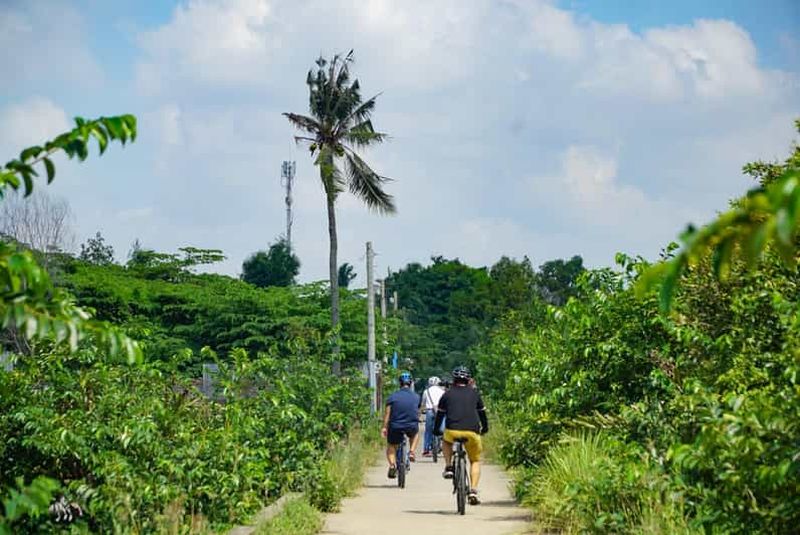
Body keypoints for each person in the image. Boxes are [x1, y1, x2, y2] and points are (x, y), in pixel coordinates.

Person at [433, 365, 488, 505]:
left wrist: (436, 430)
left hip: (452, 431)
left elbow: (440, 415)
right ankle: (474, 490)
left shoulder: (447, 394)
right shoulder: (475, 394)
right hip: (472, 432)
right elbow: (482, 413)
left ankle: (449, 466)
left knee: (446, 441)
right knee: (475, 460)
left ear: (454, 379)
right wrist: (485, 428)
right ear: (469, 380)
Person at [382, 371, 421, 479]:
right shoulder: (416, 397)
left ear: (399, 383)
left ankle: (392, 464)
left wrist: (384, 427)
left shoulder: (392, 397)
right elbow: (417, 412)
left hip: (395, 426)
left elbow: (387, 414)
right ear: (410, 383)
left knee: (391, 445)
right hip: (411, 425)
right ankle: (412, 452)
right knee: (415, 434)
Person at [420, 376, 445, 456]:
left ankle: (426, 449)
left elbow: (423, 404)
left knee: (428, 431)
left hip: (429, 411)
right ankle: (443, 446)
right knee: (442, 430)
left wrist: (420, 414)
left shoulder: (426, 391)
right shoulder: (442, 391)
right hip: (440, 411)